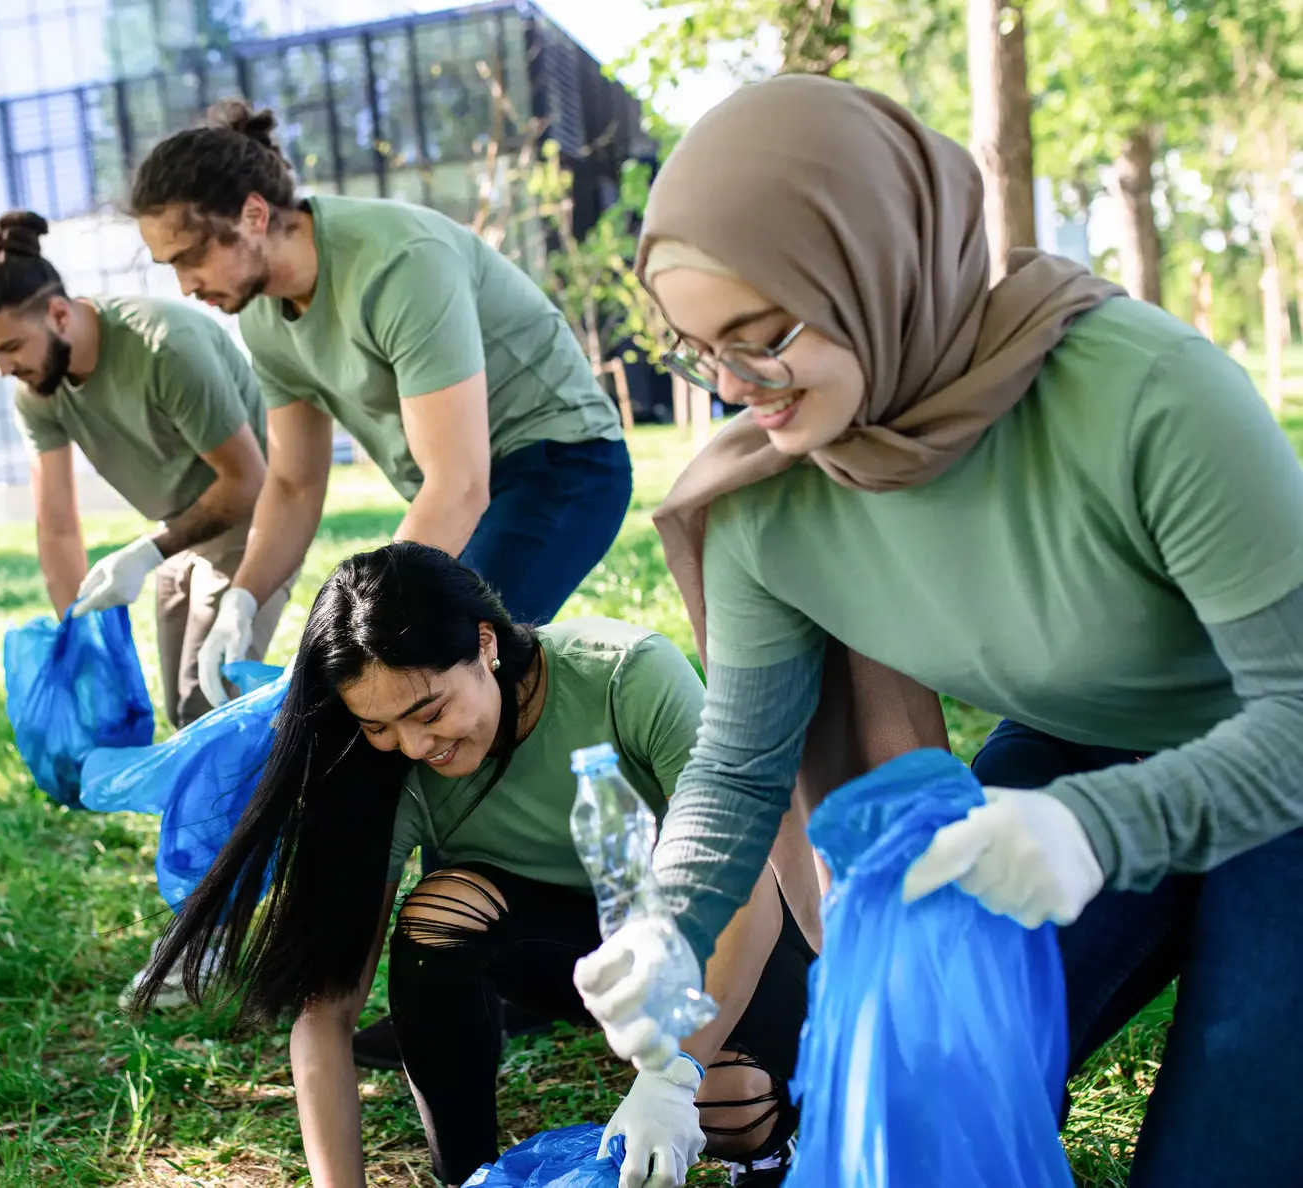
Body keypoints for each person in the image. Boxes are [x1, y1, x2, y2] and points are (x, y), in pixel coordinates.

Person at [572, 76, 1303, 1188]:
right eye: (693, 348)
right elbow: (738, 764)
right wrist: (668, 925)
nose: (731, 386)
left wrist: (1095, 831)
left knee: (1232, 1135)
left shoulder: (1146, 394)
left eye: (760, 332)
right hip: (1087, 746)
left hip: (1280, 759)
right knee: (912, 1042)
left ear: (872, 265)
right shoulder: (770, 495)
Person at [131, 543, 815, 1187]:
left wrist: (675, 1074)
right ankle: (465, 1173)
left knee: (731, 1103)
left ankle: (769, 1146)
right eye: (378, 726)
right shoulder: (389, 773)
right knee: (439, 910)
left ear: (485, 644)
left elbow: (746, 879)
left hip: (704, 938)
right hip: (570, 955)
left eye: (426, 710)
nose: (413, 745)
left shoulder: (625, 675)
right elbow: (326, 1014)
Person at [129, 100, 633, 719]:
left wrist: (343, 630)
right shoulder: (261, 312)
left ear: (254, 215)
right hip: (467, 485)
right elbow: (292, 482)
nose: (183, 285)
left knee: (429, 668)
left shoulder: (398, 261)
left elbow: (458, 485)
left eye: (190, 256)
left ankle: (596, 778)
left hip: (561, 464)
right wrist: (243, 599)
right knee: (407, 677)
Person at [0, 210, 297, 726]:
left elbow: (248, 480)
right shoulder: (39, 392)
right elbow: (57, 526)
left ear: (58, 315)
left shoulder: (164, 348)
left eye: (10, 347)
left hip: (259, 517)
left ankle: (297, 795)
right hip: (184, 527)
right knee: (183, 711)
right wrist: (79, 641)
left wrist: (148, 552)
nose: (4, 370)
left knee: (211, 705)